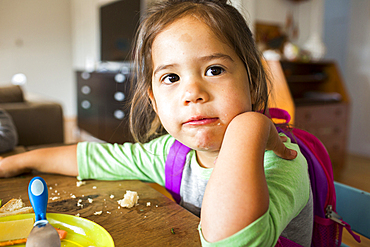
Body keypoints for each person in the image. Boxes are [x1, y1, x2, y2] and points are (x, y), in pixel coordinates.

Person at [0, 0, 313, 246]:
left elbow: (231, 242)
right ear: (153, 100)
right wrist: (18, 162)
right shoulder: (172, 155)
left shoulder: (283, 165)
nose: (193, 93)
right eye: (171, 78)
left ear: (254, 84)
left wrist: (249, 128)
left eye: (214, 70)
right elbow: (93, 158)